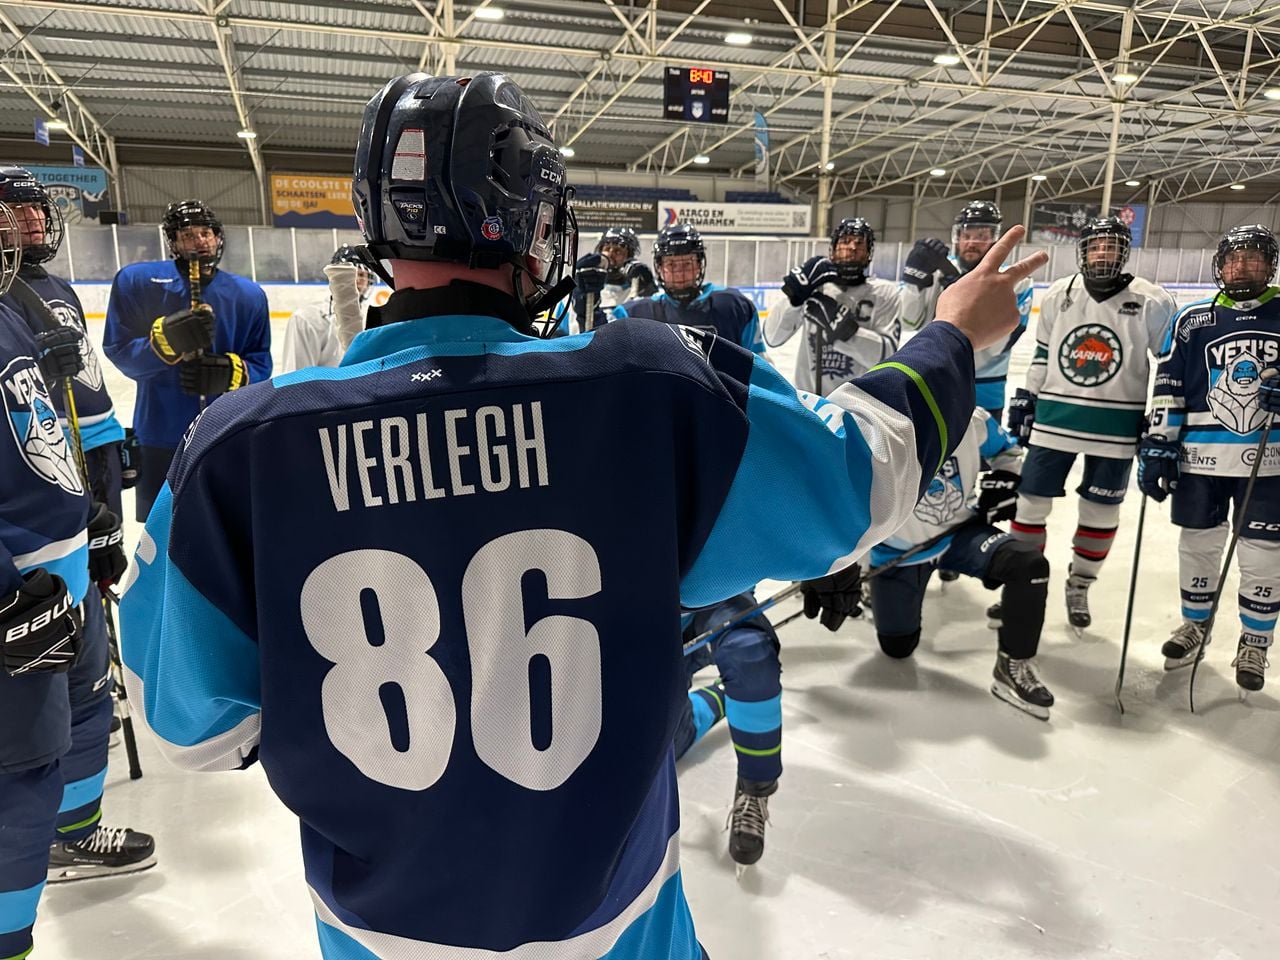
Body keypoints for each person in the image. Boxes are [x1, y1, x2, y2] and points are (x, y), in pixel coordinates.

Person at [118, 71, 1042, 959]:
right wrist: (954, 334)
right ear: (533, 220)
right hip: (619, 925)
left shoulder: (236, 444)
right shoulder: (651, 381)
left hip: (376, 937)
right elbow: (860, 484)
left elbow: (190, 733)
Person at [0, 203, 149, 960]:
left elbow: (61, 424)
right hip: (19, 586)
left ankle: (76, 836)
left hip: (65, 566)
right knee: (20, 768)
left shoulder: (24, 305)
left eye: (23, 213)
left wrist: (98, 517)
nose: (14, 228)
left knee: (89, 706)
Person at [1004, 217, 1177, 632]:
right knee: (1028, 504)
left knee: (1100, 511)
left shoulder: (1152, 300)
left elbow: (1171, 368)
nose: (1103, 253)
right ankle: (1024, 583)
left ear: (1124, 252)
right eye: (1096, 246)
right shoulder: (1061, 292)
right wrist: (1026, 397)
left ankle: (1080, 583)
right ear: (1083, 250)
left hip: (1116, 429)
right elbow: (1043, 354)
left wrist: (1162, 426)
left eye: (1111, 247)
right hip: (1053, 421)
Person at [1140, 224, 1280, 693]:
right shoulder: (1192, 319)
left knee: (1263, 555)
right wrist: (1159, 443)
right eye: (1233, 259)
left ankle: (1255, 642)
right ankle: (1196, 625)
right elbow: (1169, 386)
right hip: (1198, 458)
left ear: (1271, 265)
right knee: (1196, 545)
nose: (1242, 266)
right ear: (1219, 266)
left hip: (1270, 463)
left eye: (1254, 258)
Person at [861, 408, 1054, 718]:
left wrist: (1005, 478)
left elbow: (1009, 450)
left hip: (960, 533)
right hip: (899, 552)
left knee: (1028, 566)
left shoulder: (971, 416)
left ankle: (1012, 663)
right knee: (897, 647)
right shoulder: (875, 423)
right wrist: (842, 566)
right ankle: (877, 592)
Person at [102, 198, 271, 520]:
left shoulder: (249, 295)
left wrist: (232, 374)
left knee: (226, 524)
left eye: (206, 232)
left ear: (218, 236)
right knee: (160, 530)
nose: (200, 241)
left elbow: (261, 361)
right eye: (188, 234)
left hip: (228, 430)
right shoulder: (138, 283)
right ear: (173, 242)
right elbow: (119, 351)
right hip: (160, 433)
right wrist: (161, 346)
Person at [674, 593, 782, 868]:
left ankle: (756, 788)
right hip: (627, 605)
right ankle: (724, 697)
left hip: (713, 590)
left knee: (749, 654)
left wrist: (827, 564)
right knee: (665, 746)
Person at [900, 200, 1034, 420]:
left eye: (981, 235)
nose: (971, 242)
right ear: (957, 237)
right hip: (933, 386)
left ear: (995, 238)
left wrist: (963, 287)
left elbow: (993, 347)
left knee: (984, 453)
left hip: (985, 393)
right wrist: (914, 282)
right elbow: (909, 322)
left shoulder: (1016, 282)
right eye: (966, 234)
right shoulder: (938, 272)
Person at [764, 216, 901, 392]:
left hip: (858, 407)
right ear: (833, 248)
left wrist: (844, 328)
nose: (852, 247)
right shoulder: (817, 287)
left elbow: (887, 357)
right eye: (846, 241)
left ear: (869, 252)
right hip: (809, 406)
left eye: (860, 243)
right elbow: (772, 338)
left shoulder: (884, 292)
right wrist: (794, 296)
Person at [611, 223, 767, 354]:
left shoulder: (736, 308)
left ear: (699, 265)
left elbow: (759, 370)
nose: (680, 272)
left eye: (687, 263)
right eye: (671, 264)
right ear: (659, 268)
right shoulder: (634, 313)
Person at [281, 245, 372, 372]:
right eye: (350, 275)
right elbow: (296, 377)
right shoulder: (308, 319)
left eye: (362, 274)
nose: (356, 280)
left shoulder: (372, 319)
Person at [570, 226, 657, 332]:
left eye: (618, 251)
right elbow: (557, 333)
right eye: (606, 249)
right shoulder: (582, 289)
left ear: (629, 257)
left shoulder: (637, 293)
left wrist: (649, 289)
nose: (610, 255)